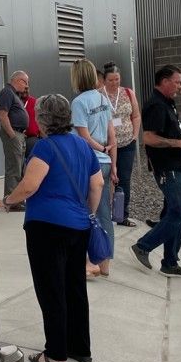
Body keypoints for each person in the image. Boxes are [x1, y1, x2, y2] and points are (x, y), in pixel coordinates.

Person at [0, 93, 101, 362]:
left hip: (47, 227)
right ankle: (80, 348)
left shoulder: (44, 148)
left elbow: (30, 186)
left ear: (41, 119)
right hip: (78, 225)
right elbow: (97, 184)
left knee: (51, 290)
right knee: (75, 288)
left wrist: (5, 202)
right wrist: (86, 211)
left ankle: (56, 354)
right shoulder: (83, 146)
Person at [131, 65, 181, 277]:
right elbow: (148, 138)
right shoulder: (156, 105)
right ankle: (143, 246)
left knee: (173, 213)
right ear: (165, 81)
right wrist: (179, 144)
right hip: (168, 169)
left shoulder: (168, 103)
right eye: (177, 82)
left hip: (178, 166)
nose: (180, 86)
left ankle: (170, 261)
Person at [70, 59, 116, 278]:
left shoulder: (78, 102)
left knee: (87, 213)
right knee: (105, 214)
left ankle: (90, 262)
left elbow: (83, 135)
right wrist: (111, 158)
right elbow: (111, 133)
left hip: (90, 162)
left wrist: (101, 149)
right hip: (105, 163)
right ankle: (105, 262)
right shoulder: (102, 98)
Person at [100, 62, 141, 228]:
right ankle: (102, 212)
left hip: (126, 143)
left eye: (117, 79)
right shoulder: (99, 95)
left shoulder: (128, 93)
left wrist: (134, 135)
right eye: (111, 80)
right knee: (105, 177)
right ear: (104, 80)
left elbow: (136, 115)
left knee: (124, 178)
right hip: (105, 144)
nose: (114, 83)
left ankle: (121, 214)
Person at [0, 71, 31, 207]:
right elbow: (2, 115)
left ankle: (17, 198)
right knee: (14, 168)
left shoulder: (13, 94)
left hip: (19, 134)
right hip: (13, 134)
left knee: (20, 167)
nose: (26, 86)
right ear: (19, 81)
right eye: (25, 83)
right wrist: (12, 135)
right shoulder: (7, 92)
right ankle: (14, 202)